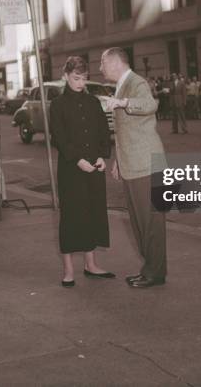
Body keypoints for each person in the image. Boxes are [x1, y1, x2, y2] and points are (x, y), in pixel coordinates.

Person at [101, 47, 167, 288]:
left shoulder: (135, 82)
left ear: (116, 63)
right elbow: (125, 130)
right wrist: (118, 159)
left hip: (146, 163)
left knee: (150, 221)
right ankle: (150, 268)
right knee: (140, 221)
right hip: (134, 163)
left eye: (103, 63)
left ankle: (155, 273)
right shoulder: (121, 84)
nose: (100, 68)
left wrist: (123, 102)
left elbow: (149, 104)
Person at [50, 56, 114, 287]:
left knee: (92, 212)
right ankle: (68, 269)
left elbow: (103, 131)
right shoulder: (57, 105)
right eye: (76, 78)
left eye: (84, 79)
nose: (80, 83)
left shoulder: (93, 103)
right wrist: (77, 159)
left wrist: (101, 155)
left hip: (94, 166)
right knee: (71, 215)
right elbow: (59, 137)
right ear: (66, 76)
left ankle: (91, 264)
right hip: (71, 168)